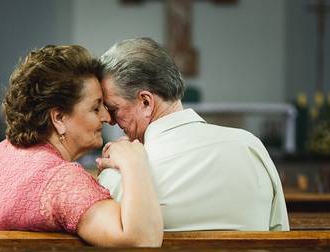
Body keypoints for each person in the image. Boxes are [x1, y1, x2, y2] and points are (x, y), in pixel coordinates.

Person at [0, 45, 163, 247]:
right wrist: (134, 162)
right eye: (96, 107)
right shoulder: (61, 180)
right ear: (59, 117)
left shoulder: (3, 150)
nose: (107, 117)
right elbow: (141, 240)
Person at [97, 37, 289, 231]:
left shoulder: (120, 174)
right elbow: (281, 235)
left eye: (113, 109)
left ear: (146, 102)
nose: (109, 120)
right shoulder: (250, 146)